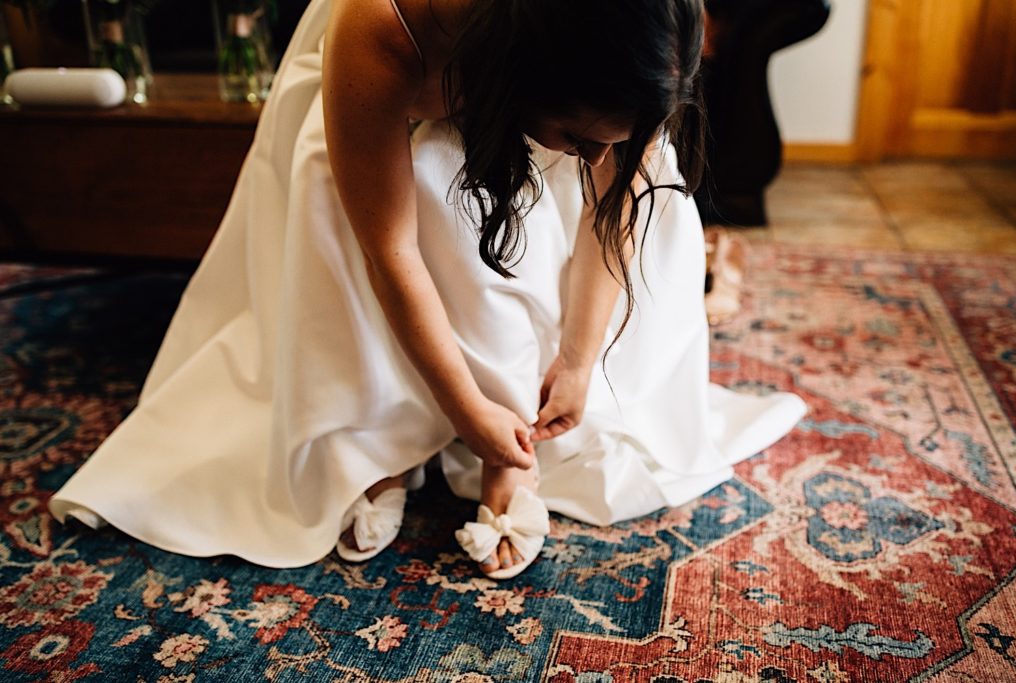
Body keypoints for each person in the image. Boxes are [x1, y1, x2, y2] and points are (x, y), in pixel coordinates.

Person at [48, 0, 807, 580]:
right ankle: (375, 436)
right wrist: (465, 408)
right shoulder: (384, 26)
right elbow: (391, 253)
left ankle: (515, 447)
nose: (586, 157)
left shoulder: (622, 36)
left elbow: (611, 208)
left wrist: (578, 358)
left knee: (628, 185)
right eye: (578, 132)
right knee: (412, 181)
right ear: (525, 69)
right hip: (366, 123)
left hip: (523, 87)